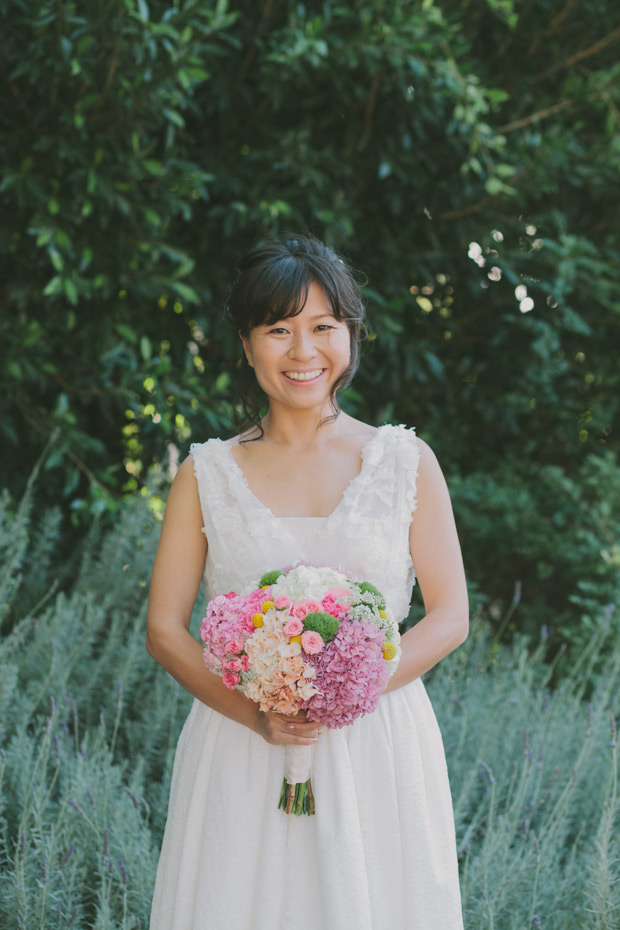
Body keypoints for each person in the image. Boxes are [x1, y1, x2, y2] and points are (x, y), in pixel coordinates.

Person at [146, 235, 469, 930]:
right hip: (242, 743)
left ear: (349, 335)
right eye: (278, 330)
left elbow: (449, 616)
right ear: (246, 344)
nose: (303, 351)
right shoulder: (204, 475)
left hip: (378, 745)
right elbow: (165, 630)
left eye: (323, 327)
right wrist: (260, 718)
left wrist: (350, 689)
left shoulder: (405, 461)